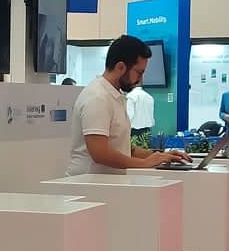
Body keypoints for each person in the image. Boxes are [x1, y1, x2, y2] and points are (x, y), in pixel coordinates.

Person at [64, 35, 187, 176]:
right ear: (120, 67)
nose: (141, 79)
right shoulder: (97, 97)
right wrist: (146, 164)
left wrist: (160, 156)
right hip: (87, 183)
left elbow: (126, 149)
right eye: (139, 72)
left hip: (105, 182)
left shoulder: (115, 96)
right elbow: (100, 153)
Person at [127, 83, 155, 152]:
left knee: (134, 154)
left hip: (134, 132)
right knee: (145, 154)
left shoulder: (131, 96)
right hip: (147, 131)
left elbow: (128, 116)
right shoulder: (149, 97)